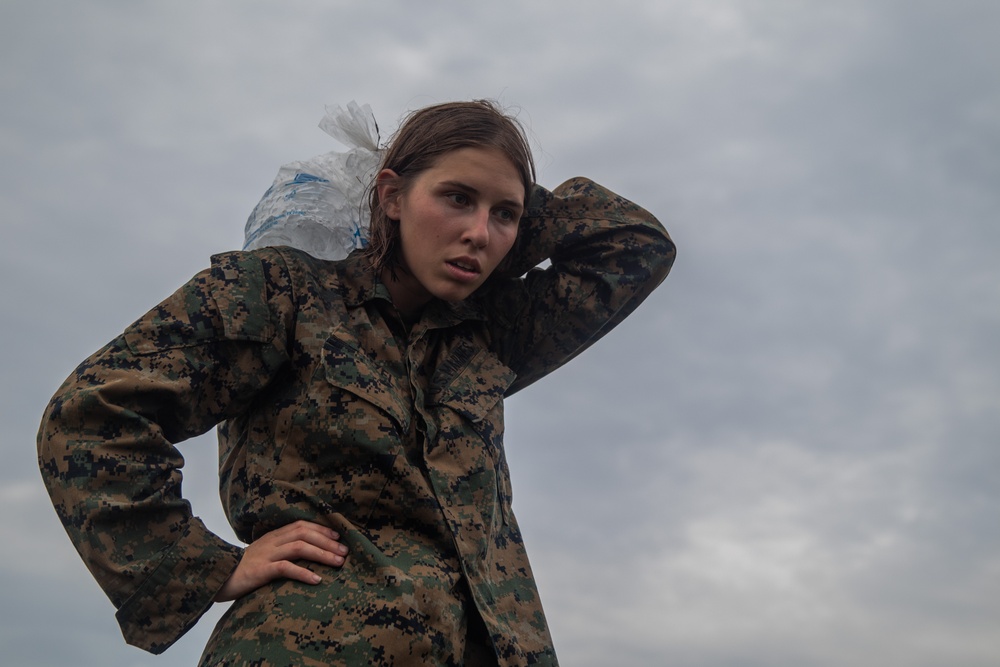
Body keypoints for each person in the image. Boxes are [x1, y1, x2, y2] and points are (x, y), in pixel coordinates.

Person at [37, 100, 675, 666]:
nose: (479, 234)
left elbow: (634, 247)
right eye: (456, 198)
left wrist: (510, 194)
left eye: (502, 215)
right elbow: (93, 415)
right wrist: (203, 565)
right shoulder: (285, 294)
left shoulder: (487, 337)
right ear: (391, 196)